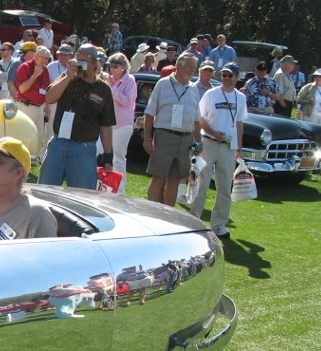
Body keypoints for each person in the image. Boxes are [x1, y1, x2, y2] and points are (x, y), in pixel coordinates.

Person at [38, 43, 116, 190]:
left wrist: (108, 155)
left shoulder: (103, 89)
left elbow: (106, 125)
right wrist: (68, 76)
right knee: (44, 191)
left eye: (83, 61)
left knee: (82, 195)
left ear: (94, 63)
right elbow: (49, 98)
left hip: (84, 148)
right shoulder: (67, 77)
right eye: (77, 60)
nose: (79, 65)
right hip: (58, 143)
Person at [192, 62, 246, 238]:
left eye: (230, 75)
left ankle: (219, 224)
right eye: (224, 75)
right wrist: (213, 133)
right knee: (202, 182)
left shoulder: (240, 98)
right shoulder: (211, 94)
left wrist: (239, 147)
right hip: (209, 142)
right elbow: (199, 118)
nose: (226, 78)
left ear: (236, 77)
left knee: (224, 186)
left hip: (228, 147)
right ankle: (194, 221)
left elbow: (239, 123)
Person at [142, 51, 200, 206]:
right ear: (178, 66)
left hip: (185, 140)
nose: (192, 70)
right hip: (165, 136)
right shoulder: (163, 84)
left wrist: (198, 142)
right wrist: (147, 138)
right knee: (159, 177)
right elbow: (149, 113)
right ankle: (152, 213)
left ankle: (168, 216)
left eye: (194, 68)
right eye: (189, 67)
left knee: (175, 179)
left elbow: (196, 119)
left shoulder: (193, 89)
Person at [105, 52, 137, 193]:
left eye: (115, 66)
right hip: (108, 123)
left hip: (123, 124)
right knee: (104, 155)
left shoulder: (130, 80)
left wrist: (112, 89)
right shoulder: (110, 80)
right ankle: (105, 185)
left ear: (123, 67)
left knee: (118, 157)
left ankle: (120, 190)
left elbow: (128, 101)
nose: (112, 69)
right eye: (110, 66)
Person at [15, 45, 52, 152]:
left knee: (38, 137)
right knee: (25, 135)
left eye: (47, 58)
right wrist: (34, 75)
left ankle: (34, 160)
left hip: (40, 107)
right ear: (36, 55)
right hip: (26, 106)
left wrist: (47, 108)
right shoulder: (25, 67)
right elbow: (22, 89)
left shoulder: (45, 70)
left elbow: (46, 90)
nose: (44, 60)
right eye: (42, 57)